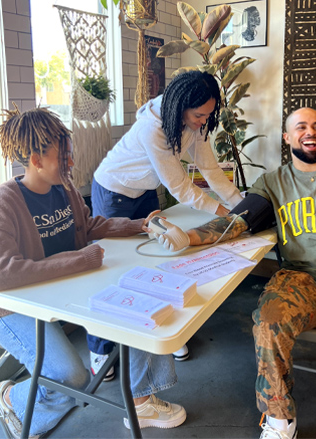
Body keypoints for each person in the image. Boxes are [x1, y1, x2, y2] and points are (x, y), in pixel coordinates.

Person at [154, 107, 316, 439]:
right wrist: (186, 237)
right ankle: (280, 421)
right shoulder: (273, 182)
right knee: (267, 323)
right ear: (288, 137)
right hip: (299, 279)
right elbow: (235, 224)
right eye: (301, 127)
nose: (311, 132)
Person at [0, 105, 185, 438]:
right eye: (62, 156)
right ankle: (11, 399)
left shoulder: (63, 189)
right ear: (36, 161)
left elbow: (89, 225)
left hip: (57, 292)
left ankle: (141, 399)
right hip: (10, 308)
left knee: (141, 302)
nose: (70, 162)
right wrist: (80, 259)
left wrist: (141, 224)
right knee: (72, 377)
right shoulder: (3, 201)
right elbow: (0, 273)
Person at [89, 70, 243, 372]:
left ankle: (161, 331)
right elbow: (181, 188)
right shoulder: (152, 128)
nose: (203, 121)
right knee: (112, 269)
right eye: (199, 115)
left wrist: (242, 206)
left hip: (144, 191)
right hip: (113, 192)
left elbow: (211, 172)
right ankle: (100, 349)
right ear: (181, 106)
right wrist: (225, 215)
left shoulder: (195, 123)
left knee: (154, 261)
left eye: (208, 115)